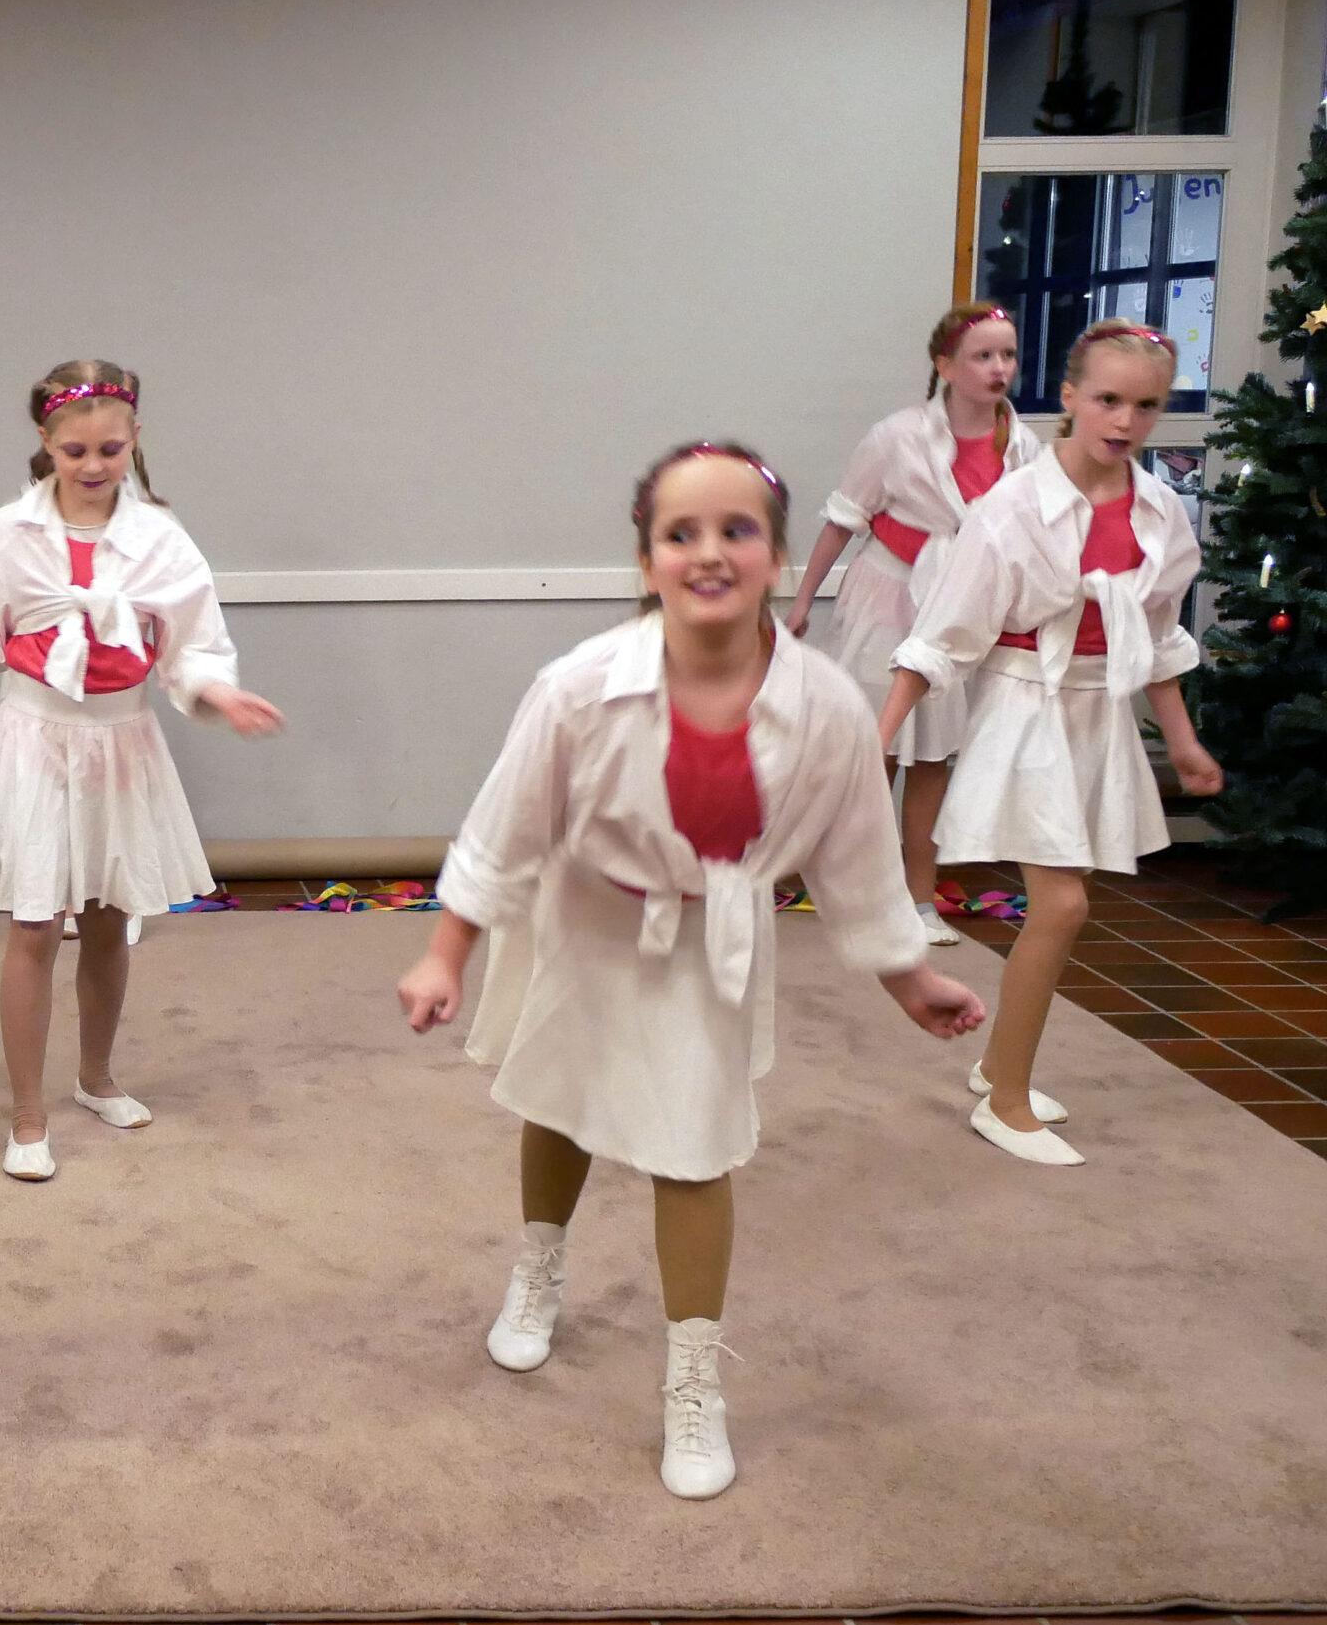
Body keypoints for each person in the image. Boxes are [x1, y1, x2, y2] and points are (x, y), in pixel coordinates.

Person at [399, 440, 985, 1499]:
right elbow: (503, 827)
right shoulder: (579, 686)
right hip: (587, 917)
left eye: (736, 530)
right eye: (682, 533)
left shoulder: (826, 706)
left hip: (709, 941)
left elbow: (854, 856)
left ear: (777, 557)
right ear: (647, 560)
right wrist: (447, 952)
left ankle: (692, 1377)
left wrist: (909, 979)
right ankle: (539, 1268)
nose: (709, 552)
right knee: (562, 1100)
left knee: (693, 1147)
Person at [0, 360, 281, 1181]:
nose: (94, 465)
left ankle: (96, 1076)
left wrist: (217, 693)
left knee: (107, 915)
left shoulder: (161, 538)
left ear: (135, 440)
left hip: (121, 742)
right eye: (75, 451)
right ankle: (27, 1114)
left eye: (110, 449)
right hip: (36, 739)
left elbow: (191, 646)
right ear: (46, 443)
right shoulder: (10, 531)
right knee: (35, 923)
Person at [881, 320, 1222, 1165]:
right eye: (1107, 399)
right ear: (1069, 396)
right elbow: (942, 636)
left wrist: (1182, 744)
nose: (1125, 421)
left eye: (1146, 405)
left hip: (1099, 717)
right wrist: (875, 739)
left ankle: (1001, 1064)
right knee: (1062, 905)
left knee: (1065, 907)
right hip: (1025, 710)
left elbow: (1159, 640)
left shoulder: (1160, 510)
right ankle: (1004, 1101)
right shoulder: (1011, 508)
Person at [787, 304, 1044, 944]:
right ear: (945, 366)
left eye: (1008, 355)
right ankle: (856, 890)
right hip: (887, 599)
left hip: (959, 609)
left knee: (933, 757)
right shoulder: (895, 437)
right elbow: (843, 520)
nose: (999, 368)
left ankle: (919, 899)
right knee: (875, 750)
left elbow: (1027, 539)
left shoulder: (1025, 446)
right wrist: (801, 601)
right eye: (983, 356)